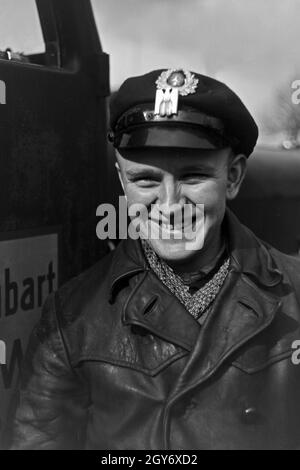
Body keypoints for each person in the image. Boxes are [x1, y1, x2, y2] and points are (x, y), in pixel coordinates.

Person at [11, 69, 300, 450]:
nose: (169, 204)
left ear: (232, 177)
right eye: (145, 180)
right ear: (121, 181)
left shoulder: (295, 294)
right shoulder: (71, 319)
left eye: (193, 176)